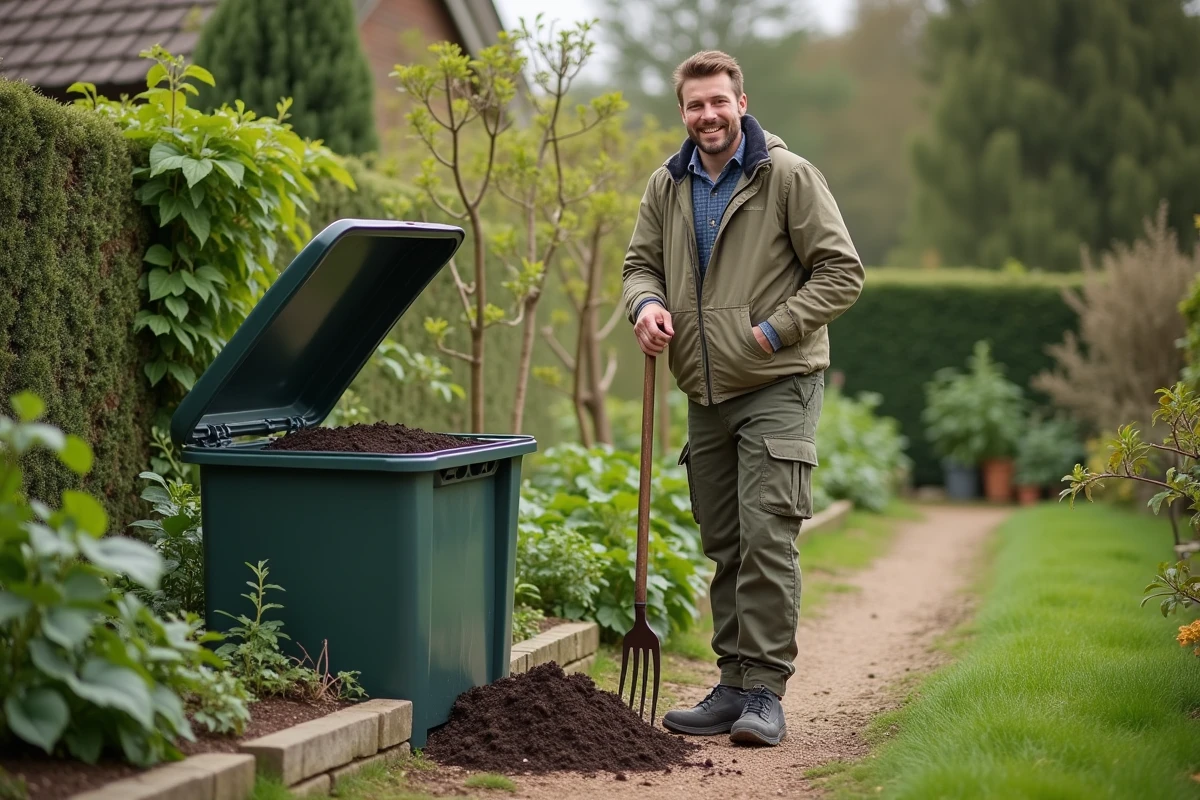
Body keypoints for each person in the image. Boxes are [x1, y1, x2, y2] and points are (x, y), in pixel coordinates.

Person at [621, 50, 865, 746]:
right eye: (695, 105)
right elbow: (641, 264)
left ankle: (764, 693)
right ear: (683, 113)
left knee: (767, 535)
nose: (707, 116)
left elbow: (841, 272)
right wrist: (644, 305)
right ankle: (732, 686)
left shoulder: (785, 177)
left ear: (742, 102)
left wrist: (772, 332)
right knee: (724, 540)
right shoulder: (667, 186)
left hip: (776, 383)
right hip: (704, 389)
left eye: (718, 102)